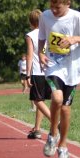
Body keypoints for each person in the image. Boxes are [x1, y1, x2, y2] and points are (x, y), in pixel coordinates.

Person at [38, 0, 80, 158]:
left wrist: (74, 39)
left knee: (65, 108)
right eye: (52, 6)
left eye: (58, 7)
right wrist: (40, 53)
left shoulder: (76, 18)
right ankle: (53, 134)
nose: (54, 10)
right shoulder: (45, 17)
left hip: (72, 69)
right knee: (56, 99)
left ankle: (63, 147)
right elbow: (41, 37)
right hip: (53, 66)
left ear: (68, 3)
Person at [25, 9, 51, 139]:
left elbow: (29, 55)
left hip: (36, 71)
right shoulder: (47, 33)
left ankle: (55, 121)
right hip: (48, 71)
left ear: (31, 22)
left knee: (36, 100)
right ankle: (37, 129)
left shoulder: (30, 35)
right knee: (41, 99)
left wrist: (27, 74)